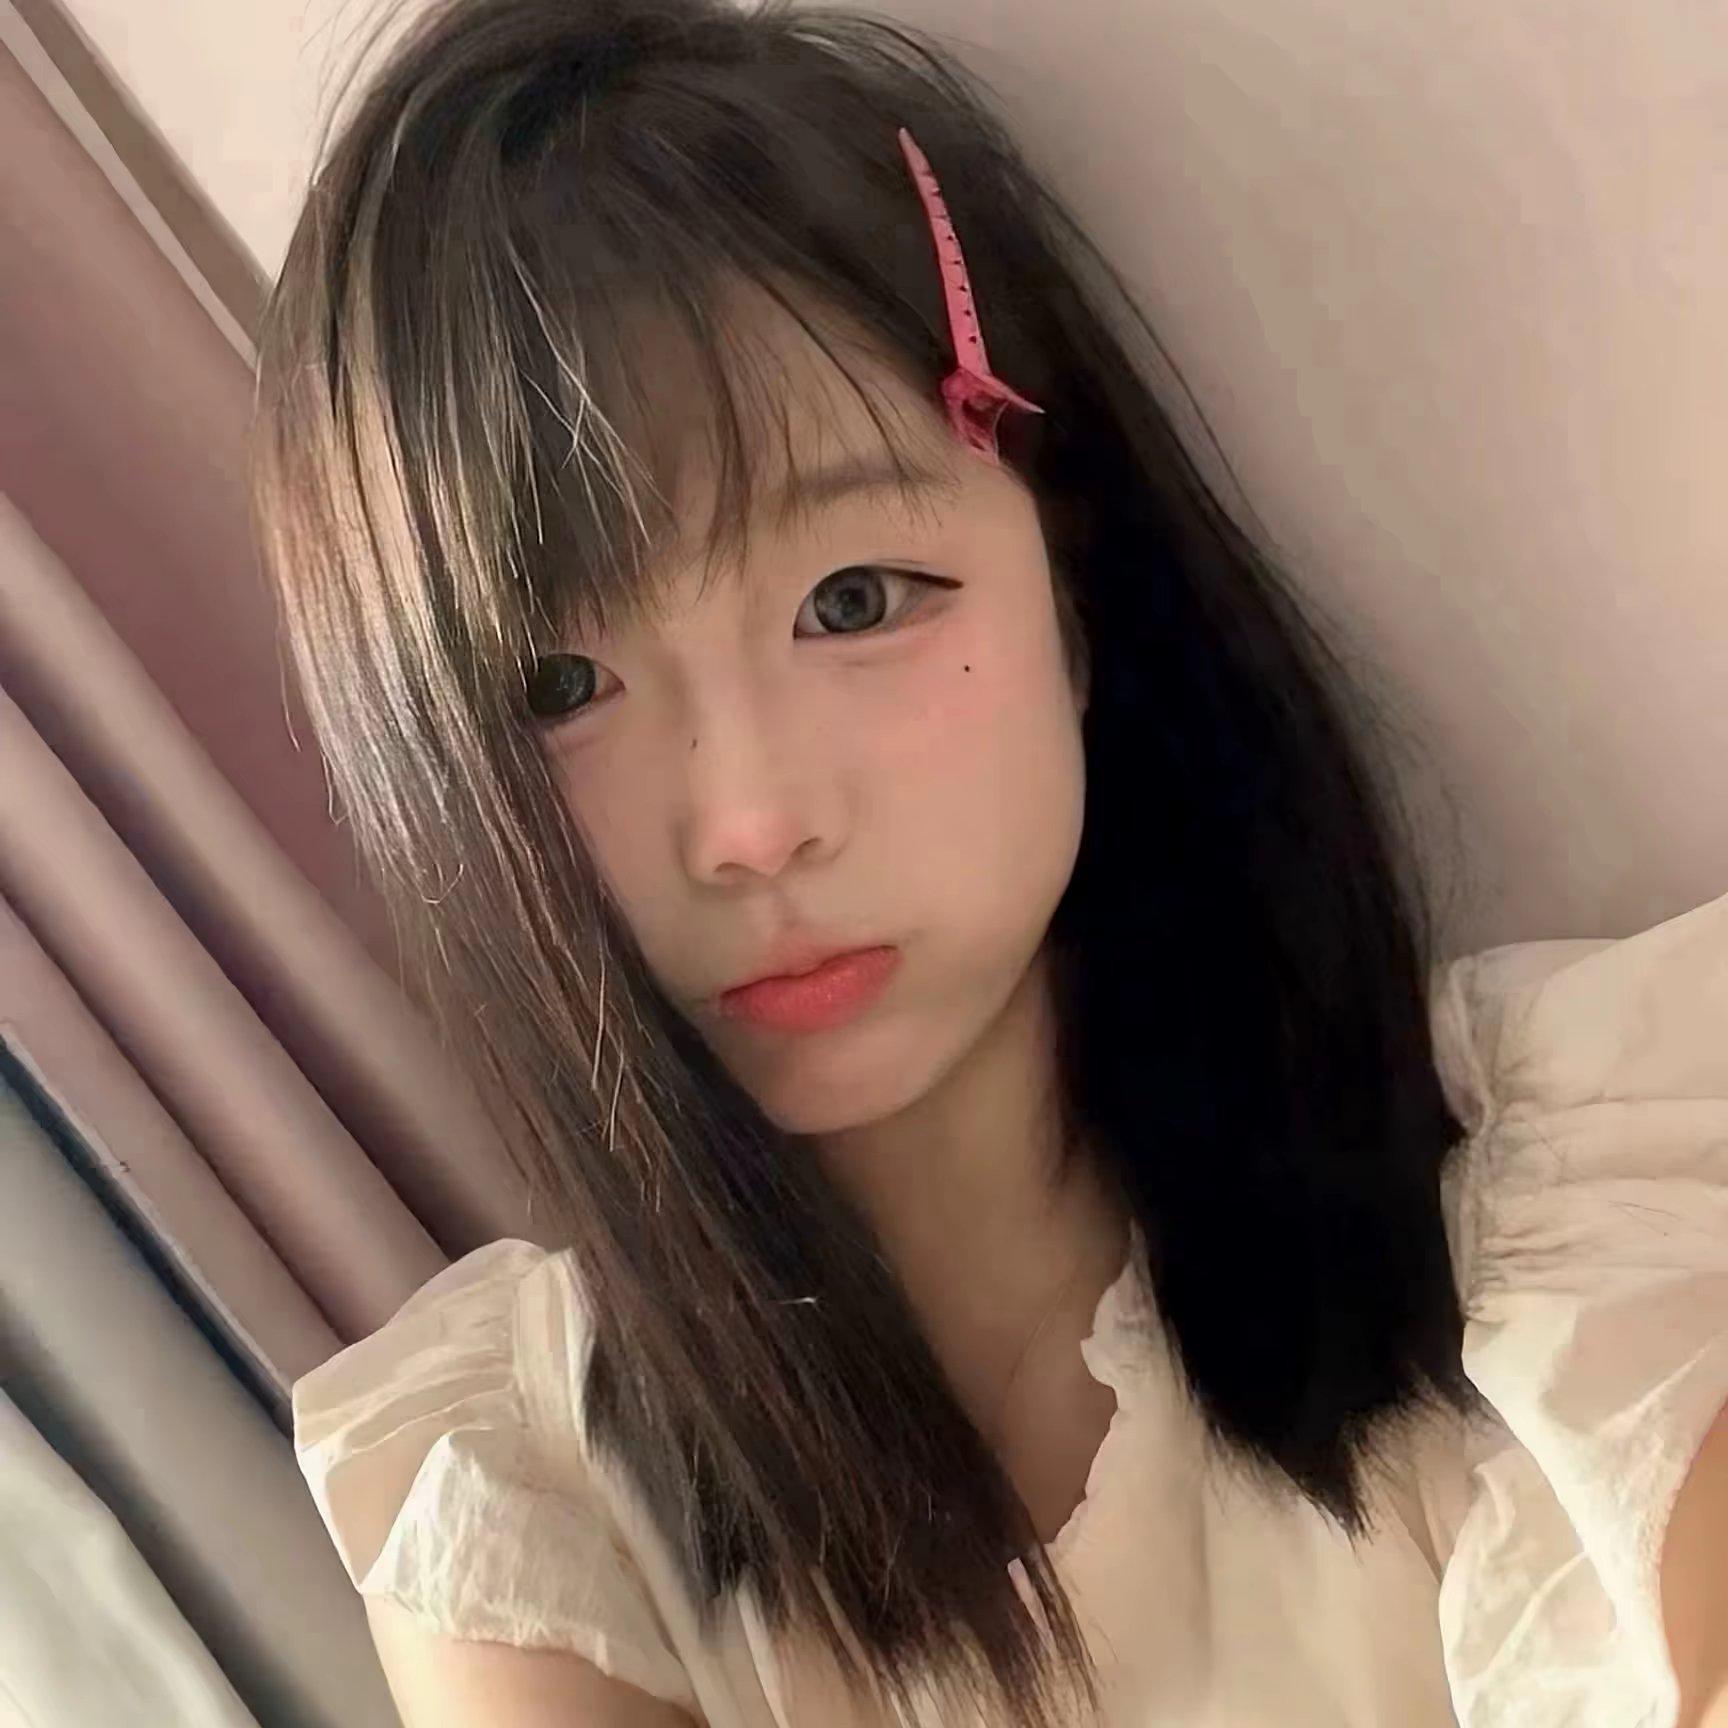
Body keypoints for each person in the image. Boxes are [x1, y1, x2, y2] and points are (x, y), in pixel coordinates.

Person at [252, 1, 1728, 1723]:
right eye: (558, 689)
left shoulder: (1556, 1184)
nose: (752, 826)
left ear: (1074, 596)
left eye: (853, 601)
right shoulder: (528, 1503)